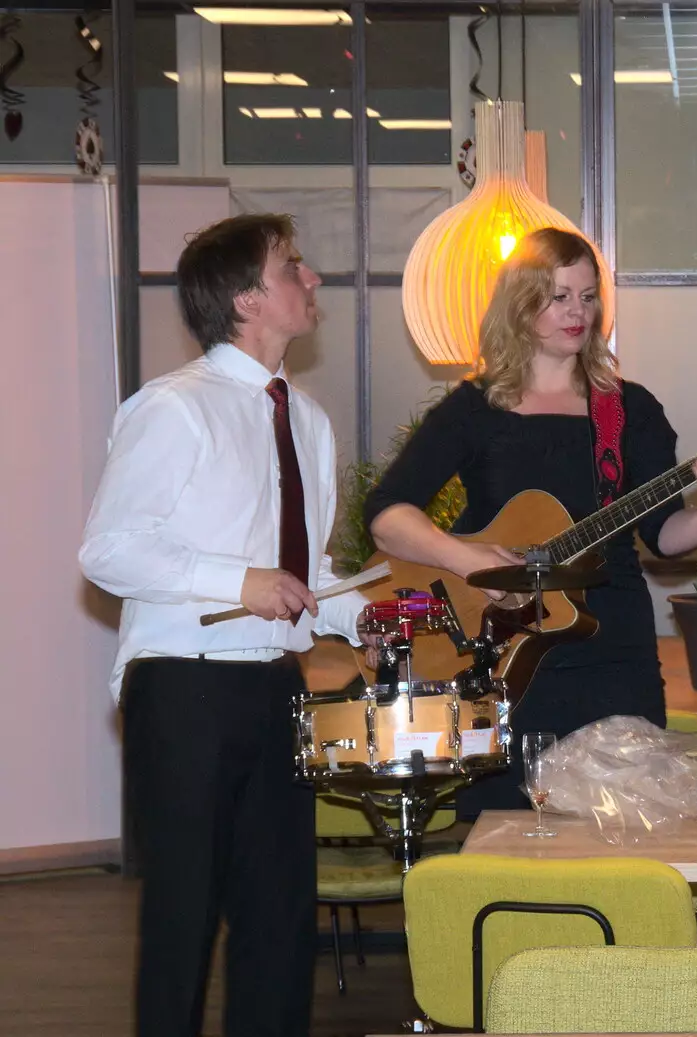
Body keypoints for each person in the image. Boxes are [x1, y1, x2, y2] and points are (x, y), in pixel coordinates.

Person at [80, 213, 370, 1036]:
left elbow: (302, 578)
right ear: (247, 297)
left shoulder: (306, 420)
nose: (312, 280)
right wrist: (237, 583)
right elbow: (109, 550)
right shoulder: (172, 409)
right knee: (181, 922)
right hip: (184, 689)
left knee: (281, 926)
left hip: (278, 688)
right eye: (294, 267)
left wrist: (361, 615)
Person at [365, 227, 697, 815]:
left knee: (626, 823)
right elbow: (387, 516)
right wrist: (474, 561)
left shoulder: (629, 409)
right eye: (559, 296)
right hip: (500, 651)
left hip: (613, 647)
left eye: (588, 296)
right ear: (521, 305)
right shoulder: (475, 408)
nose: (579, 313)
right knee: (504, 832)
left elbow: (663, 534)